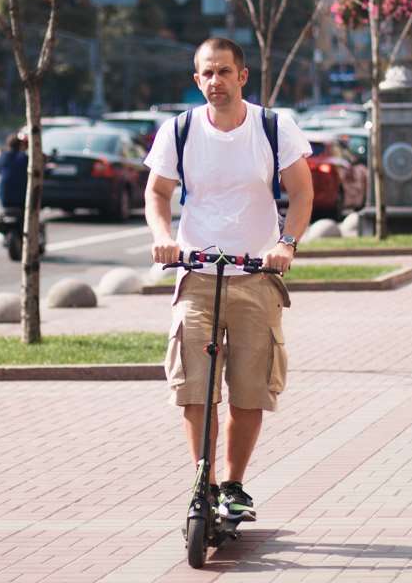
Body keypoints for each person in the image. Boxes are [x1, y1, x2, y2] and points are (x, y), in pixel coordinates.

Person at [143, 36, 313, 524]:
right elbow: (157, 193)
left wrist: (286, 245)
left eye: (223, 72)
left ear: (242, 76)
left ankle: (234, 485)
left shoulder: (272, 126)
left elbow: (301, 192)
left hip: (256, 277)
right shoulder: (177, 130)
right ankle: (205, 480)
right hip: (196, 276)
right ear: (196, 80)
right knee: (195, 388)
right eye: (206, 74)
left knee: (249, 388)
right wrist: (163, 235)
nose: (214, 82)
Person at [0, 131, 29, 213]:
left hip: (4, 197)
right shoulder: (25, 158)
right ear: (21, 145)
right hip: (21, 197)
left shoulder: (2, 157)